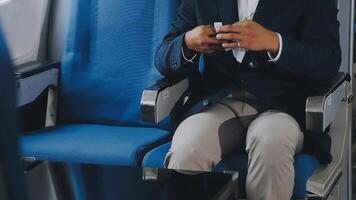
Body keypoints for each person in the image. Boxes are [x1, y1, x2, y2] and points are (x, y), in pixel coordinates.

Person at [155, 0, 341, 199]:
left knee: (271, 142)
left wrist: (274, 42)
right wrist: (187, 43)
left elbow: (327, 61)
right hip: (220, 101)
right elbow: (163, 57)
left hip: (283, 105)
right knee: (188, 147)